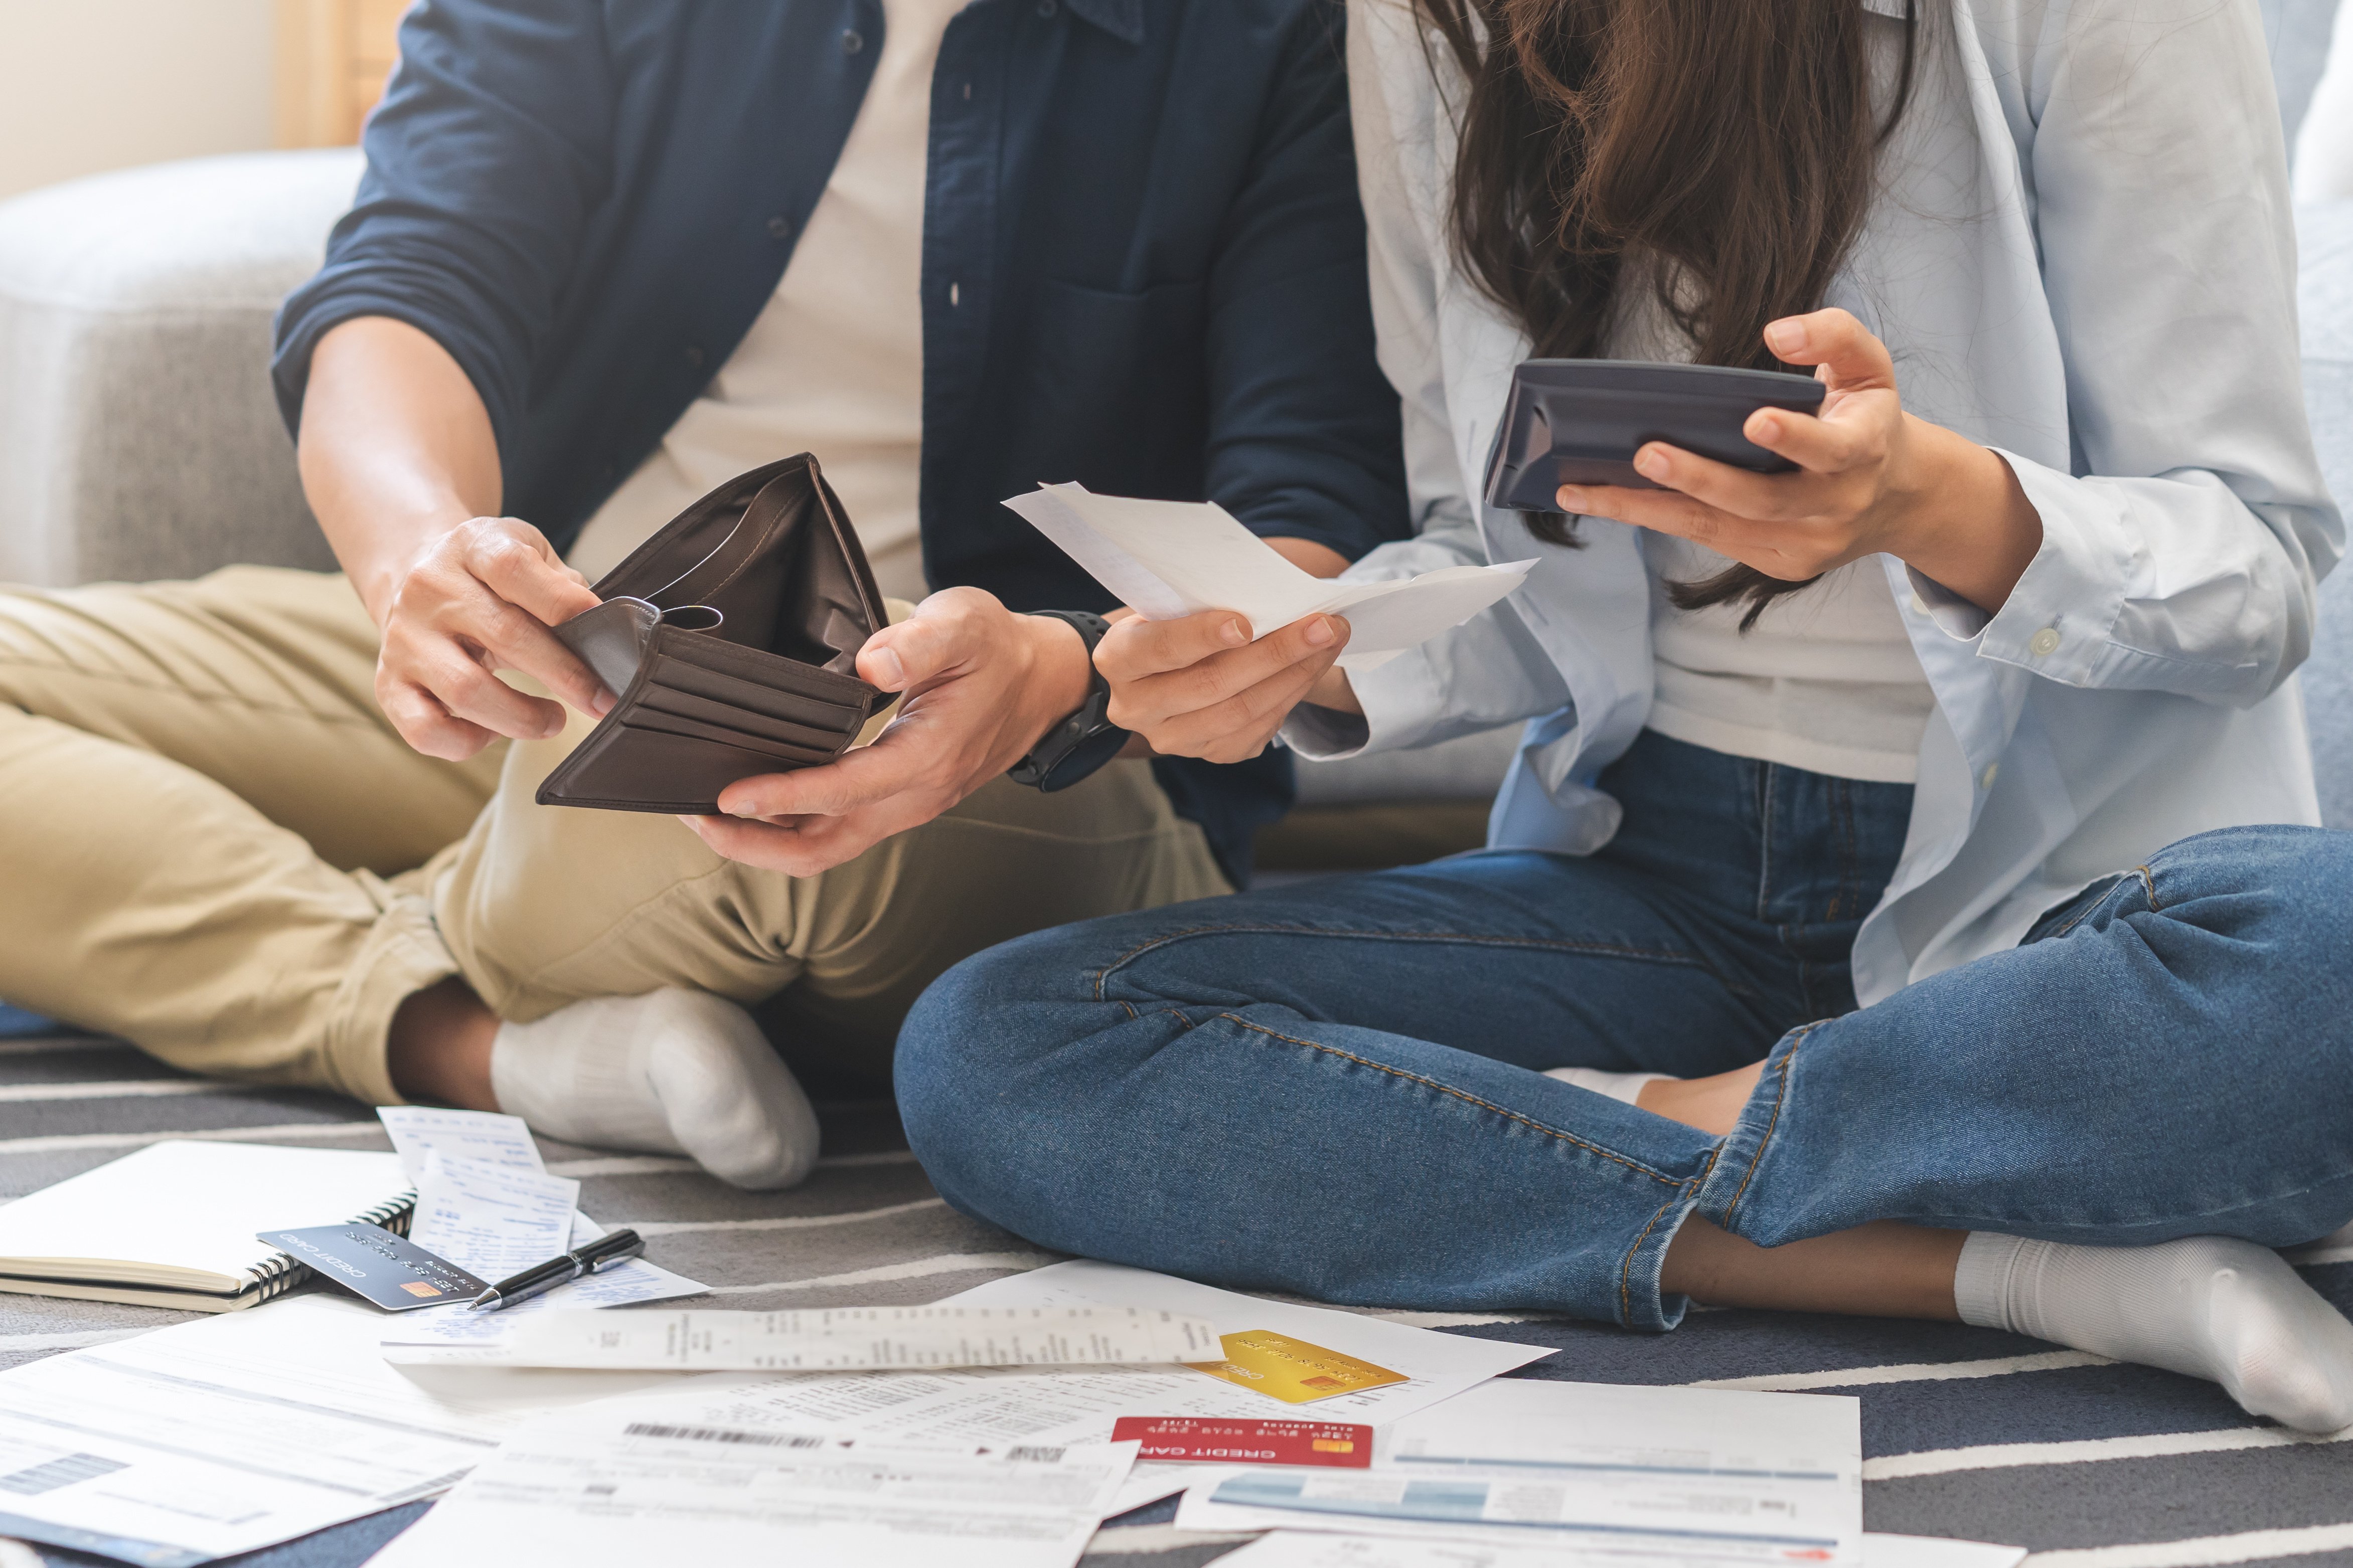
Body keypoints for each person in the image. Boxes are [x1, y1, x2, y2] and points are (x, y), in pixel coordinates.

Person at [896, 0, 2353, 1431]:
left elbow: (2259, 569)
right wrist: (1268, 657)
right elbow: (1488, 563)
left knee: (2328, 964)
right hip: (1657, 878)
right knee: (1003, 1042)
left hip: (2064, 918)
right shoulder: (1429, 25)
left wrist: (1932, 504)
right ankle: (2006, 1267)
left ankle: (1608, 1119)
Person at [0, 0, 1406, 1188]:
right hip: (560, 648)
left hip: (972, 733)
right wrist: (425, 562)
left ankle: (416, 910)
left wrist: (1071, 665)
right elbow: (412, 280)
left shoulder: (1272, 30)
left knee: (754, 807)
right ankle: (476, 1043)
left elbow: (1307, 515)